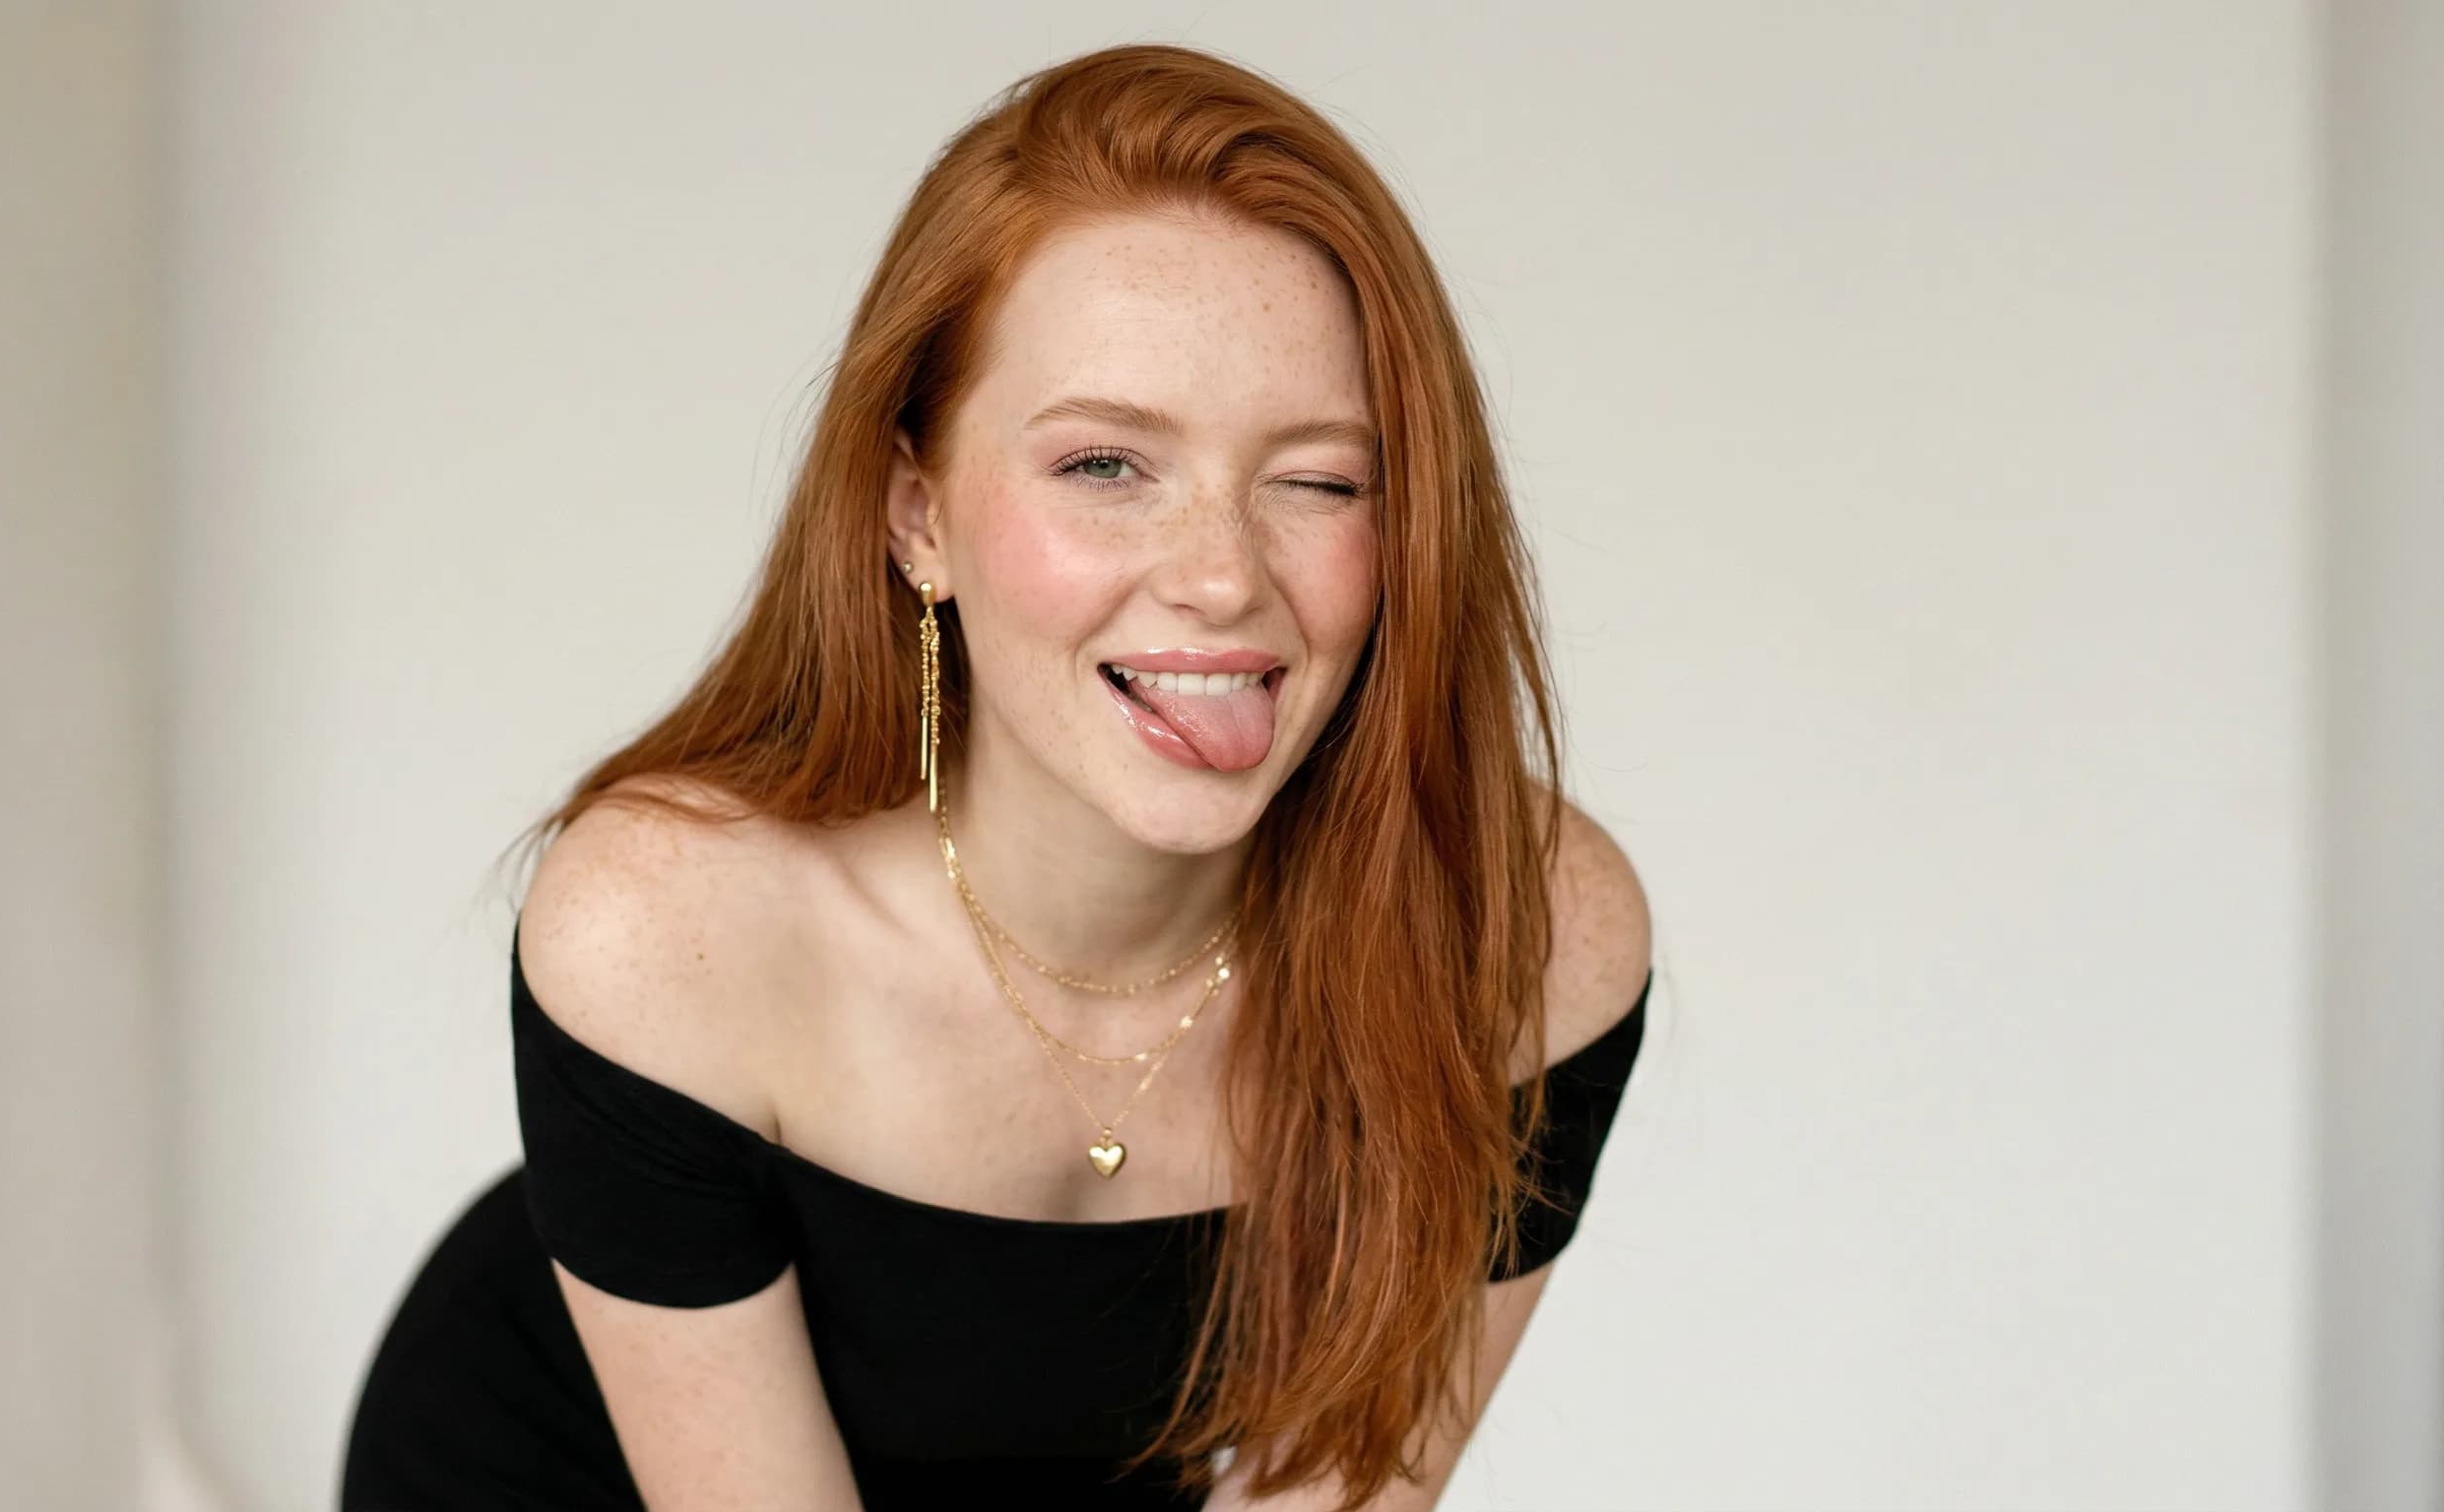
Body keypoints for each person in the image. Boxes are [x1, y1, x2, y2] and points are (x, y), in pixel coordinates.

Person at [341, 39, 1655, 1512]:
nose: (1223, 579)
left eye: (1321, 480)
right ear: (919, 516)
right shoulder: (672, 928)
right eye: (1105, 465)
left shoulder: (1530, 940)